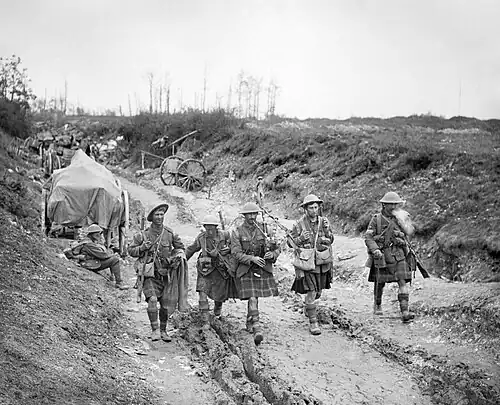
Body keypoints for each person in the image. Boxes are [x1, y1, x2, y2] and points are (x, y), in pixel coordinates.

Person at [128, 203, 186, 342]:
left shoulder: (169, 234)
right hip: (150, 274)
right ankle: (155, 330)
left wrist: (176, 257)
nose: (160, 217)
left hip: (166, 274)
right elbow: (130, 251)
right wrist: (142, 248)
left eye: (161, 214)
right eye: (157, 215)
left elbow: (180, 248)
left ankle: (163, 330)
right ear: (152, 217)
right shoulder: (143, 235)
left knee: (165, 304)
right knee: (152, 300)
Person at [231, 202, 280, 345]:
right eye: (249, 214)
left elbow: (277, 248)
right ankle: (257, 327)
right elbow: (236, 253)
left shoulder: (265, 229)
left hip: (262, 268)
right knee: (252, 297)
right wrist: (251, 258)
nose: (252, 217)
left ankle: (250, 319)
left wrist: (273, 254)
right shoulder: (237, 232)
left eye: (254, 214)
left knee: (254, 297)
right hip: (246, 268)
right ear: (244, 216)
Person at [364, 191, 416, 323]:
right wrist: (375, 249)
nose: (393, 207)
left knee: (402, 281)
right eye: (390, 204)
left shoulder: (401, 217)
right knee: (379, 283)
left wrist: (403, 221)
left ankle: (404, 311)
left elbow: (410, 232)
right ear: (384, 205)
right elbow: (368, 237)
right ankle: (377, 304)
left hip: (398, 254)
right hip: (382, 255)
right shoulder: (376, 219)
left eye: (395, 204)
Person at [289, 194, 334, 335]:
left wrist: (327, 234)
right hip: (307, 263)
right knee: (312, 291)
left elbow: (331, 239)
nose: (314, 210)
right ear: (305, 209)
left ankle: (308, 307)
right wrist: (301, 239)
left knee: (318, 293)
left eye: (316, 207)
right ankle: (313, 323)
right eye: (311, 208)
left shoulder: (324, 222)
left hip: (322, 261)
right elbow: (290, 242)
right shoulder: (299, 224)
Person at [185, 214, 236, 329]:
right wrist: (182, 259)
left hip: (220, 270)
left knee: (219, 296)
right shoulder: (201, 238)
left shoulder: (225, 235)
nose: (209, 231)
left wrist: (229, 249)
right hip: (205, 270)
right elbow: (191, 249)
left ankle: (217, 312)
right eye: (207, 228)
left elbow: (236, 246)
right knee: (202, 293)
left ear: (216, 227)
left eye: (211, 228)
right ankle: (205, 321)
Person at [73, 224, 130, 290]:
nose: (99, 236)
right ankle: (119, 283)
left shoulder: (89, 241)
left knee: (112, 258)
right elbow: (102, 255)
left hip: (90, 262)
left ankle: (112, 277)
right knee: (115, 259)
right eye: (98, 234)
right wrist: (112, 255)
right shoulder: (89, 244)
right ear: (93, 234)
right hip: (89, 263)